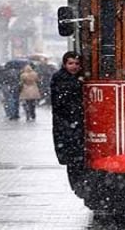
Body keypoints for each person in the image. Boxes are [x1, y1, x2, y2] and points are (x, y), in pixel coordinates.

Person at [51, 52, 85, 197]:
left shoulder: (81, 77)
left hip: (77, 122)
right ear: (65, 64)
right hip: (66, 122)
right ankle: (77, 184)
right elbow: (61, 100)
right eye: (71, 63)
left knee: (79, 155)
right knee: (72, 155)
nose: (74, 66)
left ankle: (80, 184)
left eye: (76, 64)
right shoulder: (60, 78)